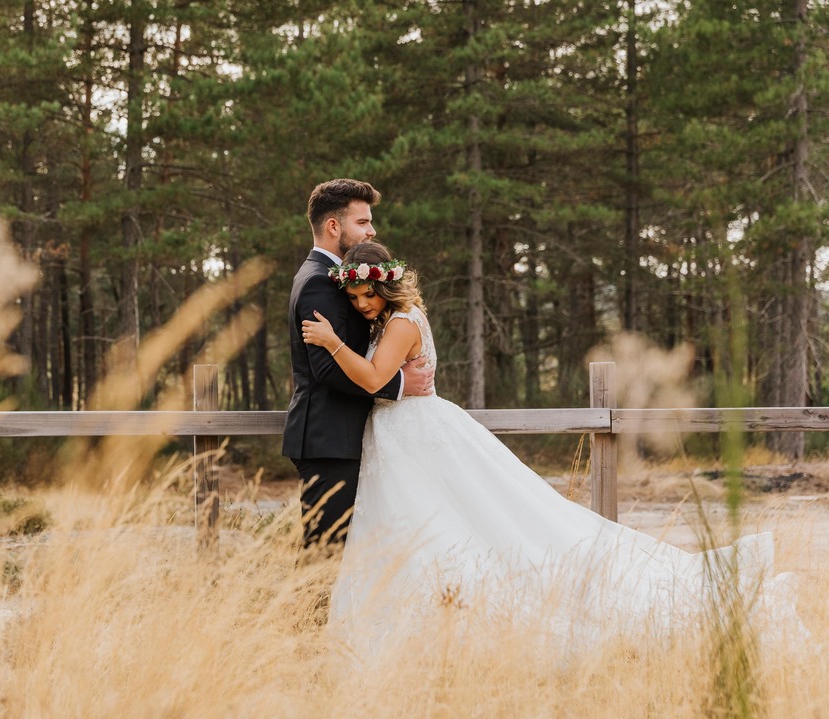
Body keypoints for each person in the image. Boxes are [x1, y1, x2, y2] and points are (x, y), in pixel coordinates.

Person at [302, 241, 801, 656]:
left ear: (385, 285)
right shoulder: (388, 320)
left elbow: (371, 376)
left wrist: (330, 341)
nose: (362, 303)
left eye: (368, 294)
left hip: (417, 436)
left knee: (479, 521)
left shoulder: (402, 322)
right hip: (400, 440)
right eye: (355, 296)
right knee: (425, 528)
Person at [283, 180, 434, 551]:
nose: (372, 230)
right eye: (363, 222)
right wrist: (400, 384)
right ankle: (306, 612)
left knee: (350, 550)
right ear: (334, 226)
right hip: (329, 438)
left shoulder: (335, 277)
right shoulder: (320, 280)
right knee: (325, 551)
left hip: (344, 437)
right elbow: (326, 369)